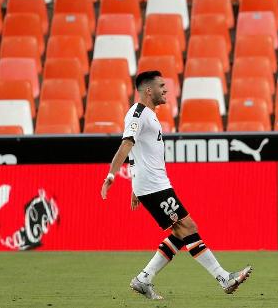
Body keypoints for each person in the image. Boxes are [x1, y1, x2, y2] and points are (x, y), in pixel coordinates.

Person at [100, 70, 252, 300]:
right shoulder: (137, 114)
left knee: (181, 233)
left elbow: (137, 152)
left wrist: (134, 185)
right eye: (161, 86)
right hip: (153, 185)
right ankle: (224, 278)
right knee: (188, 227)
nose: (166, 90)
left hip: (153, 183)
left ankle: (144, 279)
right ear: (148, 90)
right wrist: (111, 176)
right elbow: (126, 145)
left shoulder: (149, 114)